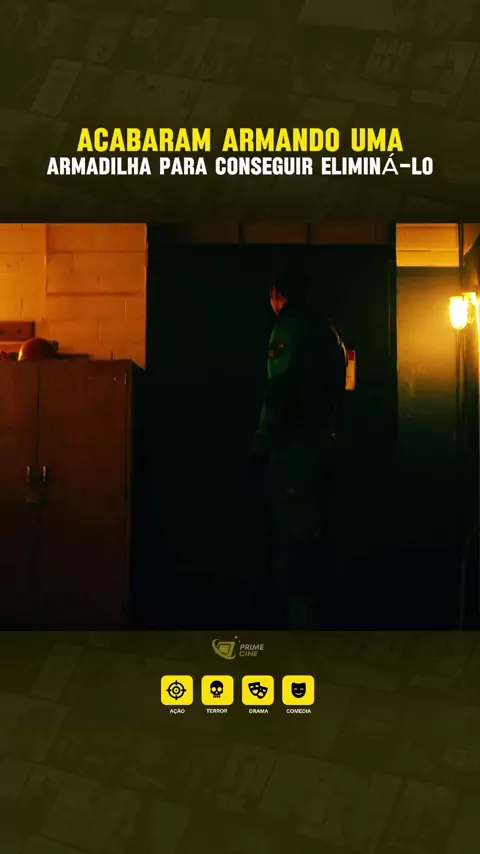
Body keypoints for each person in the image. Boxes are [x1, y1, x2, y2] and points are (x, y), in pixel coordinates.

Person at [252, 270, 348, 628]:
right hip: (323, 444)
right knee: (316, 531)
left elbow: (278, 389)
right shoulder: (329, 332)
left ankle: (298, 622)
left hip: (294, 448)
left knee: (293, 535)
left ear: (277, 294)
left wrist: (262, 441)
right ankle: (317, 617)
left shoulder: (289, 329)